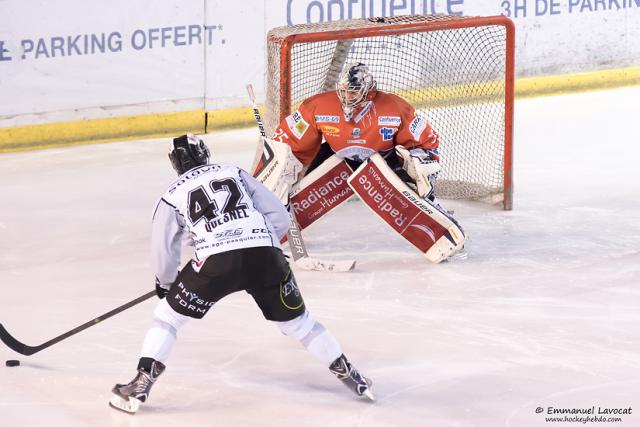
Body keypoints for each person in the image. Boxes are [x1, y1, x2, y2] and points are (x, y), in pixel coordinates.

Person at [109, 134, 374, 414]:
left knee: (168, 317)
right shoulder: (233, 172)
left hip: (215, 264)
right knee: (300, 324)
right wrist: (261, 242)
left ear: (175, 164)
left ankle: (140, 384)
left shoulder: (171, 194)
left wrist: (166, 283)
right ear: (205, 154)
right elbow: (281, 217)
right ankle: (351, 375)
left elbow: (164, 247)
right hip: (266, 257)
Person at [260, 62, 464, 260]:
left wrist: (422, 164)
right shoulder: (318, 106)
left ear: (369, 92)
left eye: (354, 92)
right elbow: (288, 141)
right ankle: (264, 229)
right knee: (281, 184)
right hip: (337, 156)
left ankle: (442, 222)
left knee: (418, 178)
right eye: (344, 91)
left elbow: (427, 140)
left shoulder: (394, 107)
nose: (347, 97)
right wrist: (282, 168)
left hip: (383, 160)